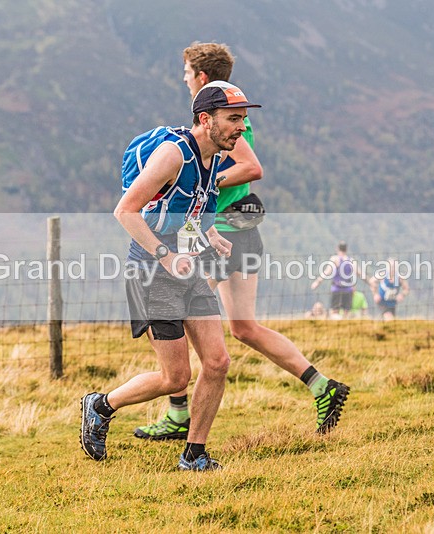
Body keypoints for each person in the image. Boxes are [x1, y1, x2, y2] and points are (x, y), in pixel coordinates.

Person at [133, 42, 349, 440]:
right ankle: (322, 386)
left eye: (185, 73)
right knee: (244, 326)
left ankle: (179, 416)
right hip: (243, 225)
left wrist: (200, 183)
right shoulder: (231, 113)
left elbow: (251, 166)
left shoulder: (223, 120)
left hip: (226, 231)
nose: (182, 79)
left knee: (174, 319)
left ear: (200, 76)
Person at [80, 81, 261, 471]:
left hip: (187, 267)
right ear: (205, 118)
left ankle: (194, 454)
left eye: (243, 120)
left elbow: (192, 212)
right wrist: (164, 256)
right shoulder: (172, 155)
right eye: (233, 119)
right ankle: (100, 405)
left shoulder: (216, 159)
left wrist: (212, 236)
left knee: (217, 362)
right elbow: (126, 211)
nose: (241, 128)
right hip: (151, 271)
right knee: (175, 377)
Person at [311, 241, 360, 319]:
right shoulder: (351, 261)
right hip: (348, 290)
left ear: (337, 249)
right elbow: (358, 273)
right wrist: (370, 282)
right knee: (346, 314)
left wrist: (317, 282)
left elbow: (327, 271)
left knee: (334, 312)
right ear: (346, 249)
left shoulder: (335, 259)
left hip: (337, 289)